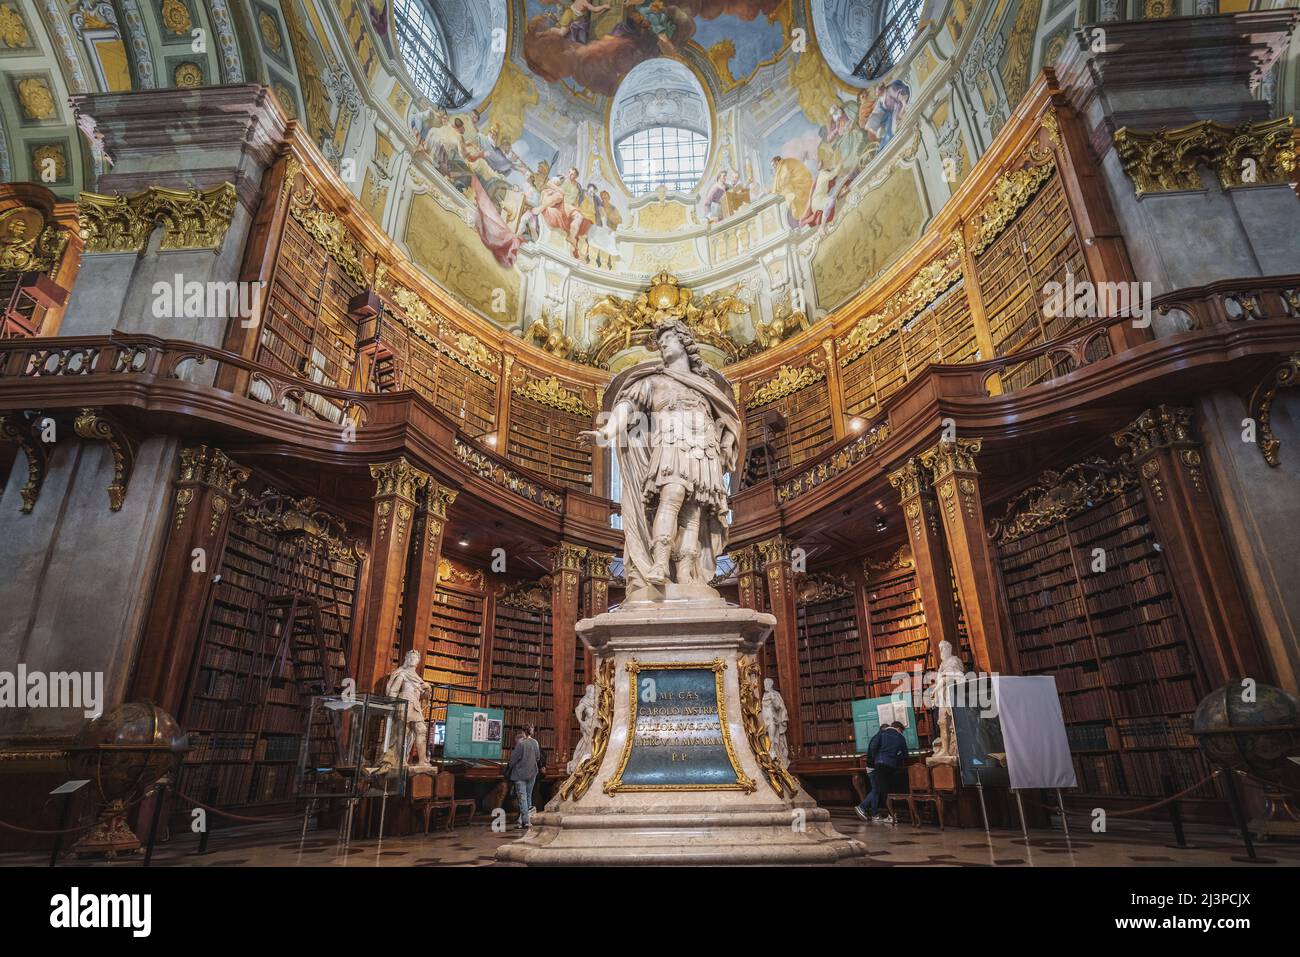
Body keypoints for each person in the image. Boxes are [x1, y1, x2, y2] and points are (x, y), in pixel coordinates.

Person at [855, 720, 909, 825]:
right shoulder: (900, 737)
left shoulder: (882, 734)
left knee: (881, 789)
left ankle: (889, 815)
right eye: (901, 731)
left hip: (879, 764)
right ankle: (891, 815)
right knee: (889, 789)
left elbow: (873, 747)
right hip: (892, 766)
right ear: (898, 729)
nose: (901, 733)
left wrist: (877, 759)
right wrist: (895, 759)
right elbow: (905, 754)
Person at [506, 726, 542, 829]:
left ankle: (525, 822)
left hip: (520, 774)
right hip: (532, 773)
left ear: (523, 732)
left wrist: (509, 768)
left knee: (522, 798)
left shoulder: (521, 743)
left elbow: (513, 759)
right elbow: (538, 757)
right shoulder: (535, 742)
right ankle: (526, 820)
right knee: (528, 797)